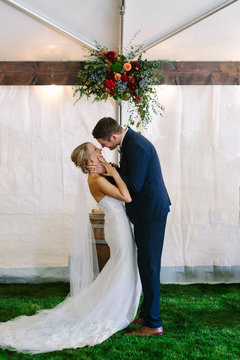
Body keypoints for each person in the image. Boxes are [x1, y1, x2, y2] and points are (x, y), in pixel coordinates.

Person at [0, 142, 141, 354]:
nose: (99, 150)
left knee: (122, 267)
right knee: (122, 267)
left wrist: (109, 170)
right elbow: (127, 197)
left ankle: (117, 306)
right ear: (89, 159)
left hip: (119, 224)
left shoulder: (97, 175)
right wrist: (113, 172)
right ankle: (112, 310)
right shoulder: (95, 179)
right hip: (117, 228)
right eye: (95, 150)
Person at [90, 117, 171, 336]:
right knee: (145, 264)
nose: (104, 148)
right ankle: (146, 314)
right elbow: (132, 176)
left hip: (151, 213)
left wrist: (109, 171)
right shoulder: (130, 143)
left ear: (113, 137)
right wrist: (113, 168)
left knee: (150, 266)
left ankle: (154, 324)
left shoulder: (136, 146)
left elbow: (133, 185)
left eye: (105, 144)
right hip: (147, 212)